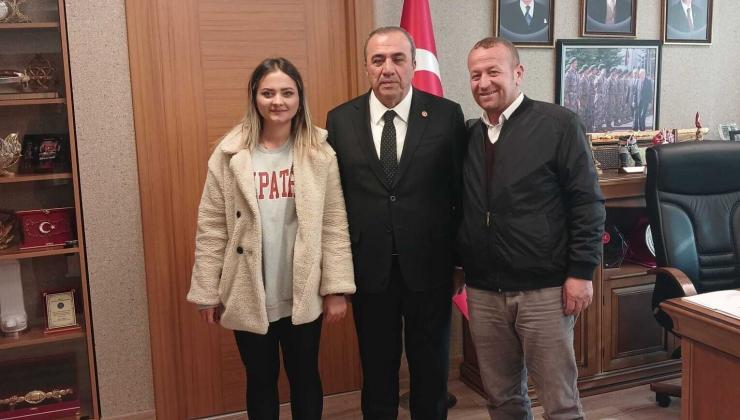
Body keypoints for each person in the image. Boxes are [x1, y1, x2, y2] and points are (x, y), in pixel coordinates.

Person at [187, 57, 356, 420]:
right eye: (268, 93)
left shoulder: (319, 153)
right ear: (254, 97)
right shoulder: (229, 154)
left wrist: (336, 288)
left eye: (286, 93)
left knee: (305, 376)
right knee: (260, 379)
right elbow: (212, 226)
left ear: (299, 98)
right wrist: (207, 291)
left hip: (303, 291)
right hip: (249, 291)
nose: (277, 101)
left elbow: (334, 223)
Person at [459, 37, 605, 419]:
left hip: (545, 290)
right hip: (484, 291)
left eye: (493, 72)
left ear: (518, 73)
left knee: (560, 403)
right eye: (475, 75)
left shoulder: (559, 124)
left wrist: (581, 272)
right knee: (502, 400)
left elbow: (587, 204)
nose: (483, 83)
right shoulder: (469, 135)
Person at [326, 26, 466, 420]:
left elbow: (460, 195)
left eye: (397, 58)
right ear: (366, 67)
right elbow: (335, 202)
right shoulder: (340, 120)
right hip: (369, 271)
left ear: (414, 64)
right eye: (378, 60)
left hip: (431, 270)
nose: (387, 68)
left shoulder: (446, 115)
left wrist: (460, 262)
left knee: (431, 371)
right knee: (377, 372)